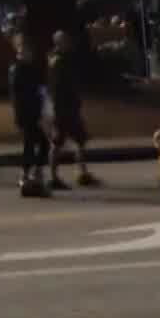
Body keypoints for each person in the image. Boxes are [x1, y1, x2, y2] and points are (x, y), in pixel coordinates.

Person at [46, 30, 98, 189]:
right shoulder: (57, 60)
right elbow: (56, 87)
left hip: (71, 107)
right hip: (62, 108)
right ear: (58, 43)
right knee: (57, 142)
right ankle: (53, 177)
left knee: (80, 140)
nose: (68, 44)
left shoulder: (65, 58)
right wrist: (56, 108)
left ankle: (82, 173)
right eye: (65, 41)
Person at [9, 34, 51, 197]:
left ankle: (35, 172)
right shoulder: (17, 69)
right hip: (26, 114)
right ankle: (26, 175)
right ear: (19, 51)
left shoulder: (32, 68)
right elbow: (18, 95)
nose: (29, 53)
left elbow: (40, 89)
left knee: (41, 143)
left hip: (35, 112)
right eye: (25, 50)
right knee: (29, 144)